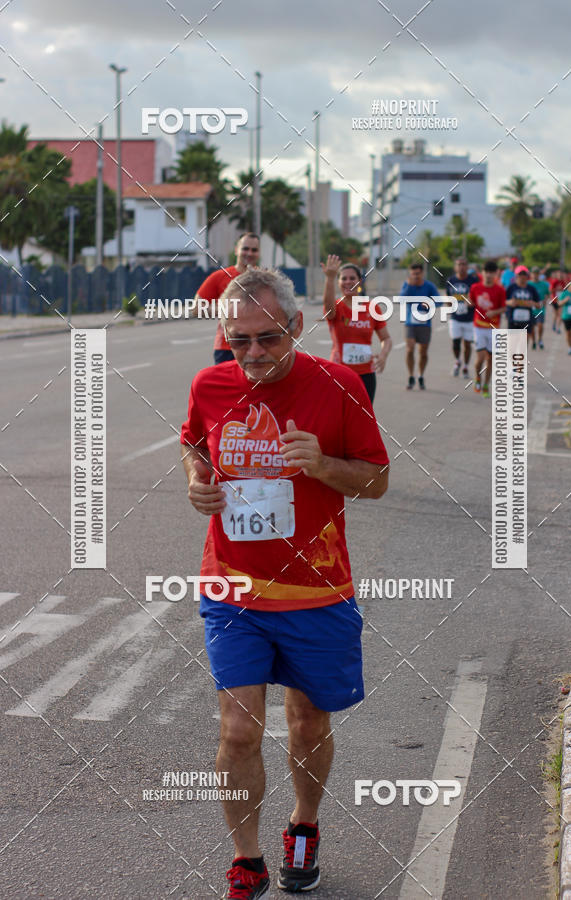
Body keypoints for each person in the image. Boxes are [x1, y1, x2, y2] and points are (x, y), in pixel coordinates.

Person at [180, 268, 389, 900]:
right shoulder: (211, 384)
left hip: (316, 592)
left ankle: (304, 824)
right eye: (238, 340)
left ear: (296, 328)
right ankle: (247, 859)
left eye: (267, 339)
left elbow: (377, 479)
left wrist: (323, 464)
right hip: (232, 588)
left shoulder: (340, 385)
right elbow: (194, 444)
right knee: (238, 730)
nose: (252, 354)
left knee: (306, 723)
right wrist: (197, 482)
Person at [321, 254, 392, 403]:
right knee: (338, 418)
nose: (348, 282)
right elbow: (328, 307)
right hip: (339, 372)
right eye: (343, 278)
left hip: (366, 375)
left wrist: (384, 355)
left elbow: (386, 338)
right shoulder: (336, 307)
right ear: (339, 282)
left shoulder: (372, 307)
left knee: (364, 417)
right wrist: (330, 278)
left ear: (359, 281)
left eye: (352, 278)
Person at [194, 232, 261, 364]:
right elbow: (197, 308)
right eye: (245, 248)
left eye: (254, 250)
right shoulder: (220, 276)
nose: (249, 253)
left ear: (259, 253)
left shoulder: (265, 279)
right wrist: (228, 310)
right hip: (227, 348)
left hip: (258, 346)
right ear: (237, 250)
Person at [400, 262, 439, 390]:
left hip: (424, 323)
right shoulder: (407, 285)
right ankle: (411, 376)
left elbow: (439, 301)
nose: (416, 276)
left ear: (422, 273)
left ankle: (421, 375)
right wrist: (409, 286)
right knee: (410, 349)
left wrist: (430, 304)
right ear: (410, 274)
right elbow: (401, 300)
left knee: (423, 352)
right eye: (413, 274)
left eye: (418, 273)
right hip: (410, 323)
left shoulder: (429, 286)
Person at [470, 261, 506, 398]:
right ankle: (478, 377)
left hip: (494, 328)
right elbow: (471, 301)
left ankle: (486, 384)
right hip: (479, 327)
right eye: (487, 272)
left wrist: (495, 311)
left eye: (492, 272)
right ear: (482, 272)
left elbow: (504, 307)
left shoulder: (500, 290)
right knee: (480, 358)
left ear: (496, 273)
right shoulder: (475, 287)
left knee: (490, 359)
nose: (489, 275)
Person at [445, 257, 479, 378]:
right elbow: (448, 296)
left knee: (467, 344)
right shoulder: (451, 280)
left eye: (464, 264)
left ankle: (465, 365)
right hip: (455, 318)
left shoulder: (474, 281)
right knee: (456, 342)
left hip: (469, 318)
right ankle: (457, 361)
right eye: (459, 264)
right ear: (455, 267)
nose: (461, 267)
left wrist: (472, 302)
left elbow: (477, 298)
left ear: (467, 266)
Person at [505, 265, 539, 343]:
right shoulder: (511, 287)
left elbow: (539, 305)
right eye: (520, 274)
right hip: (513, 320)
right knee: (513, 344)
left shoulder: (531, 289)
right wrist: (510, 302)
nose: (522, 276)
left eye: (524, 274)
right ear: (516, 275)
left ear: (527, 276)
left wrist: (532, 303)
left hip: (527, 320)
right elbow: (503, 301)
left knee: (523, 345)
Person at [529, 267, 550, 349]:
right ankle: (533, 341)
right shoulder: (528, 284)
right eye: (533, 273)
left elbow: (548, 294)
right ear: (531, 274)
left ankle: (540, 339)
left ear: (539, 275)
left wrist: (545, 300)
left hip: (540, 309)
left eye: (537, 274)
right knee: (532, 327)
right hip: (530, 309)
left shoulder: (544, 284)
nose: (535, 275)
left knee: (540, 325)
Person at [549, 269, 567, 334]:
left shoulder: (563, 282)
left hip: (561, 300)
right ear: (557, 275)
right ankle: (554, 324)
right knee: (556, 314)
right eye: (558, 275)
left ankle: (557, 328)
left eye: (561, 274)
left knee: (560, 314)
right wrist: (557, 289)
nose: (560, 276)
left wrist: (562, 290)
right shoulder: (554, 282)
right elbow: (550, 291)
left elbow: (565, 290)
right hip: (555, 300)